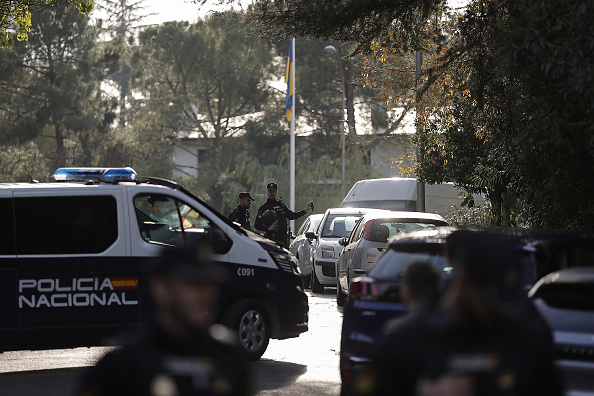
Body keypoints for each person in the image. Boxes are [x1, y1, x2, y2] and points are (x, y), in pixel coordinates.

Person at [369, 231, 563, 396]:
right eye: (490, 300)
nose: (494, 314)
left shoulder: (525, 342)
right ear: (464, 283)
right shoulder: (405, 341)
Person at [77, 243, 254, 396]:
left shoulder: (229, 360)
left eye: (209, 284)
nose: (206, 295)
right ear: (161, 289)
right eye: (192, 284)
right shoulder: (123, 367)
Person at [254, 182, 313, 248]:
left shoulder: (281, 205)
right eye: (270, 191)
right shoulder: (263, 208)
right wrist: (268, 228)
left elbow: (292, 216)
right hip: (271, 239)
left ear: (276, 192)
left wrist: (305, 210)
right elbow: (257, 225)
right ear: (267, 192)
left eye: (273, 191)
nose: (272, 193)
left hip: (283, 240)